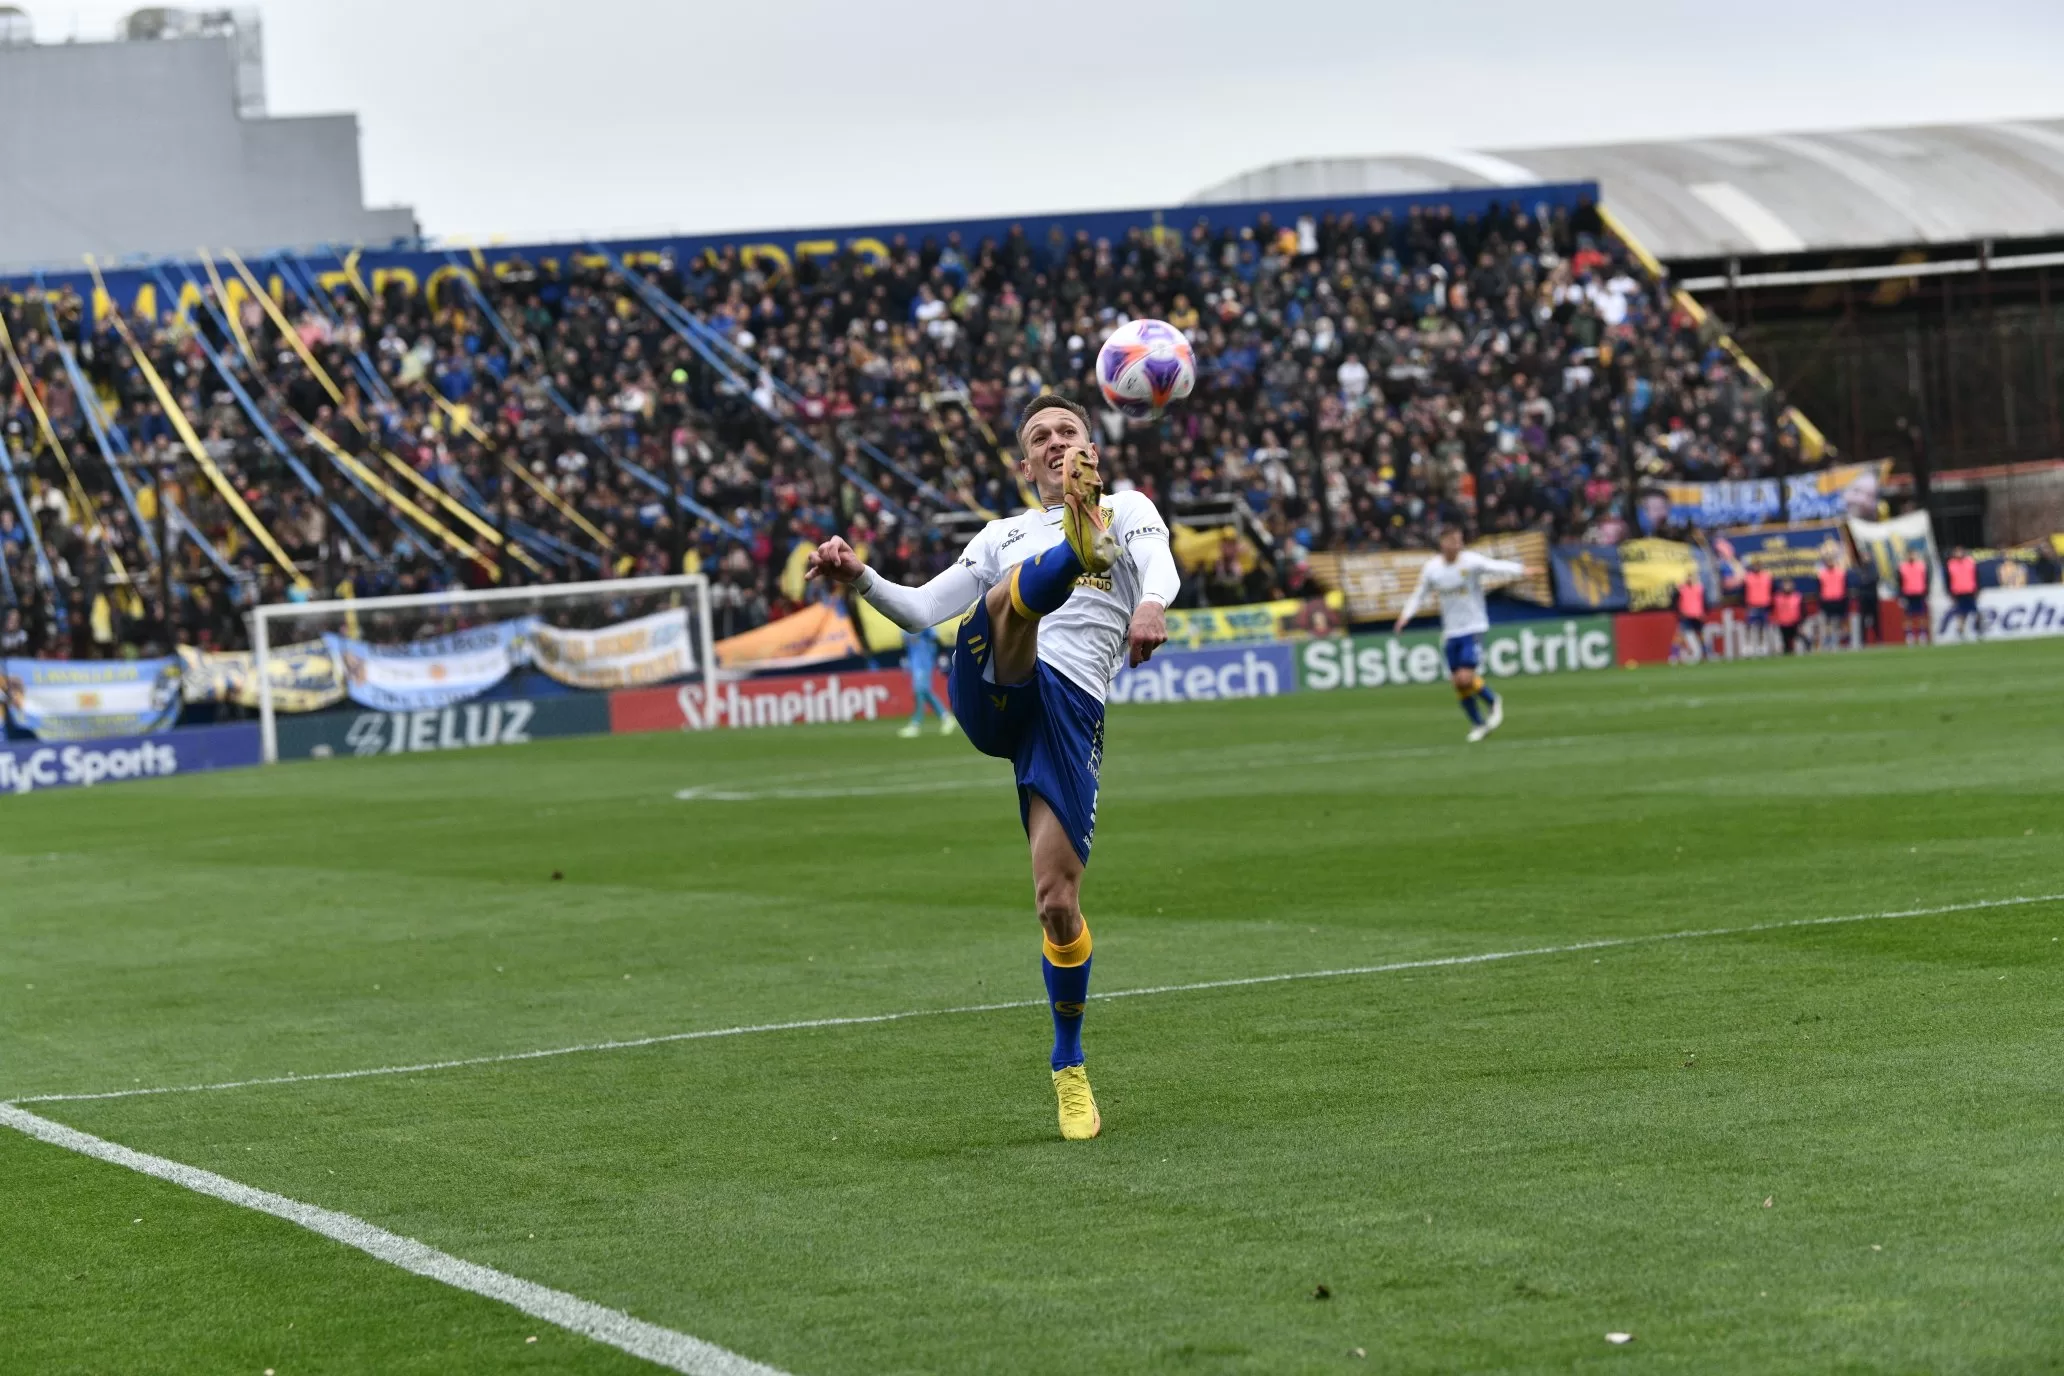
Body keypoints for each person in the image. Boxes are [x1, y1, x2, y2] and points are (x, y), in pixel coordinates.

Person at [805, 394, 1176, 1141]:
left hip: (1069, 715)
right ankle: (1075, 555)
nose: (1055, 441)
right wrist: (859, 575)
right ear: (1024, 464)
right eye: (1040, 437)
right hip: (995, 682)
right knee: (1009, 601)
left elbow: (1159, 564)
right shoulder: (1002, 533)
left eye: (1068, 431)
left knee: (1056, 905)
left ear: (1090, 447)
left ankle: (1068, 1066)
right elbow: (918, 611)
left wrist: (1152, 605)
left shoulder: (1131, 508)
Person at [1392, 526, 1532, 741]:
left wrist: (1521, 570)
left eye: (1460, 540)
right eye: (1453, 541)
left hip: (1473, 627)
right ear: (1443, 543)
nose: (1458, 545)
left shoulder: (1470, 561)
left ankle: (1493, 700)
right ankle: (1478, 724)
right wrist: (1405, 616)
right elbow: (1419, 594)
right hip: (1451, 631)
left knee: (1465, 677)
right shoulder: (1432, 569)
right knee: (1458, 683)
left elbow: (1494, 566)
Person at [897, 625, 955, 738]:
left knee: (919, 691)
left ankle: (916, 724)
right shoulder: (903, 626)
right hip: (914, 663)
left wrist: (942, 655)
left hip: (924, 662)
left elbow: (935, 639)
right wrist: (903, 658)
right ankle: (946, 717)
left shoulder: (922, 623)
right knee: (924, 692)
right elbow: (905, 645)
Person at [1944, 546, 1980, 641]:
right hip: (1958, 592)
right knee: (1961, 613)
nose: (1959, 554)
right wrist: (1950, 592)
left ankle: (1978, 631)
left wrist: (1977, 589)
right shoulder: (1950, 564)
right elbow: (1947, 580)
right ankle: (1961, 632)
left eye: (1960, 551)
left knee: (1975, 612)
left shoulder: (1970, 562)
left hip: (1970, 590)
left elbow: (1976, 576)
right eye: (1957, 552)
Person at [1816, 553, 1850, 651]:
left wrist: (1845, 601)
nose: (1830, 562)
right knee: (1827, 623)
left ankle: (1838, 642)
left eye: (1831, 560)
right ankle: (1827, 643)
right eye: (1828, 560)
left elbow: (1845, 587)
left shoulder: (1840, 573)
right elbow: (1819, 589)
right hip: (1826, 601)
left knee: (1838, 623)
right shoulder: (1821, 574)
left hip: (1839, 600)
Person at [1670, 573, 1706, 665]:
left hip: (1697, 616)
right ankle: (1673, 656)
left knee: (1701, 635)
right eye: (1688, 578)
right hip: (1686, 616)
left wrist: (1703, 612)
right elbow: (1675, 602)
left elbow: (1702, 601)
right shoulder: (1681, 589)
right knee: (1679, 635)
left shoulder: (1699, 588)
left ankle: (1706, 654)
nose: (1690, 579)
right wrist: (1679, 613)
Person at [1897, 549, 1931, 645]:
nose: (1911, 557)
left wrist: (1926, 591)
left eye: (1913, 555)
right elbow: (1899, 582)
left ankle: (1922, 634)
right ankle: (1909, 635)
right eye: (1910, 555)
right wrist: (1901, 595)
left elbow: (1927, 579)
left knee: (1921, 615)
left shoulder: (1922, 566)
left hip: (1920, 592)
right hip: (1907, 593)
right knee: (1908, 616)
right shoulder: (1902, 567)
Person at [1740, 564, 1773, 651]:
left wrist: (1770, 604)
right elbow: (1743, 591)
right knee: (1749, 625)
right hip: (1752, 604)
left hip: (1764, 604)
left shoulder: (1767, 576)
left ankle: (1761, 646)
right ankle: (1748, 646)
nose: (1756, 567)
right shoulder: (1748, 577)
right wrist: (1744, 603)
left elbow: (1772, 590)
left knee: (1762, 626)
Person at [1773, 578, 1805, 654]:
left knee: (1797, 640)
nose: (1787, 587)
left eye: (1789, 585)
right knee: (1785, 641)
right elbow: (1773, 610)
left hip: (1794, 622)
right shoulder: (1777, 597)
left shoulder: (1797, 596)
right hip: (1782, 622)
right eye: (1785, 585)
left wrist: (1801, 623)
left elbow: (1803, 611)